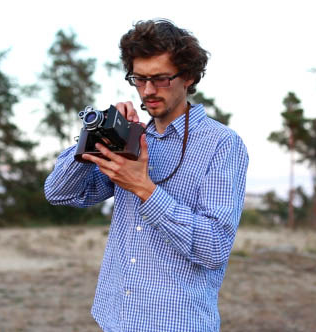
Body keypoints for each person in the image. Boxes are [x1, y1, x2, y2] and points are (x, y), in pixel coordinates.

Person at [44, 19, 249, 332]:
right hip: (114, 320)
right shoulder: (132, 138)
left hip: (176, 324)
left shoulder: (222, 144)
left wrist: (145, 189)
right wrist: (97, 135)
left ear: (189, 76)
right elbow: (59, 192)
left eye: (161, 79)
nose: (148, 91)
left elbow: (215, 247)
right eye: (139, 79)